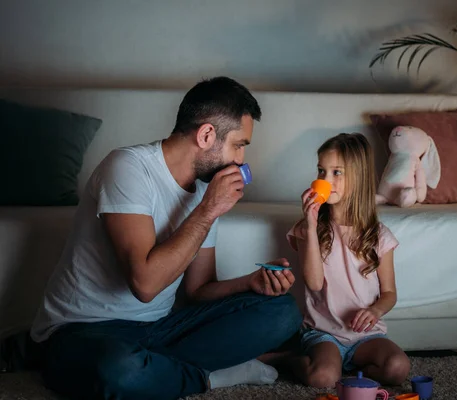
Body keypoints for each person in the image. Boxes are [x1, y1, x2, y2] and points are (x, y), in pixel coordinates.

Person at [27, 76, 303, 400]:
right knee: (121, 370)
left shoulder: (203, 190)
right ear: (206, 135)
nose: (241, 160)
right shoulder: (127, 167)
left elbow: (198, 291)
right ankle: (209, 377)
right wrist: (208, 209)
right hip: (86, 330)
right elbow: (144, 285)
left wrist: (249, 283)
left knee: (283, 313)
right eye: (239, 145)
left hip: (160, 328)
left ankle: (161, 370)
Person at [286, 133, 410, 388]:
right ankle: (288, 359)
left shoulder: (379, 236)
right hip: (325, 333)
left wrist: (375, 311)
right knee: (322, 378)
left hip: (365, 336)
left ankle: (345, 366)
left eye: (336, 172)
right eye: (321, 171)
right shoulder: (309, 229)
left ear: (358, 177)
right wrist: (310, 226)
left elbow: (389, 293)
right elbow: (314, 283)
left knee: (398, 368)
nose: (324, 180)